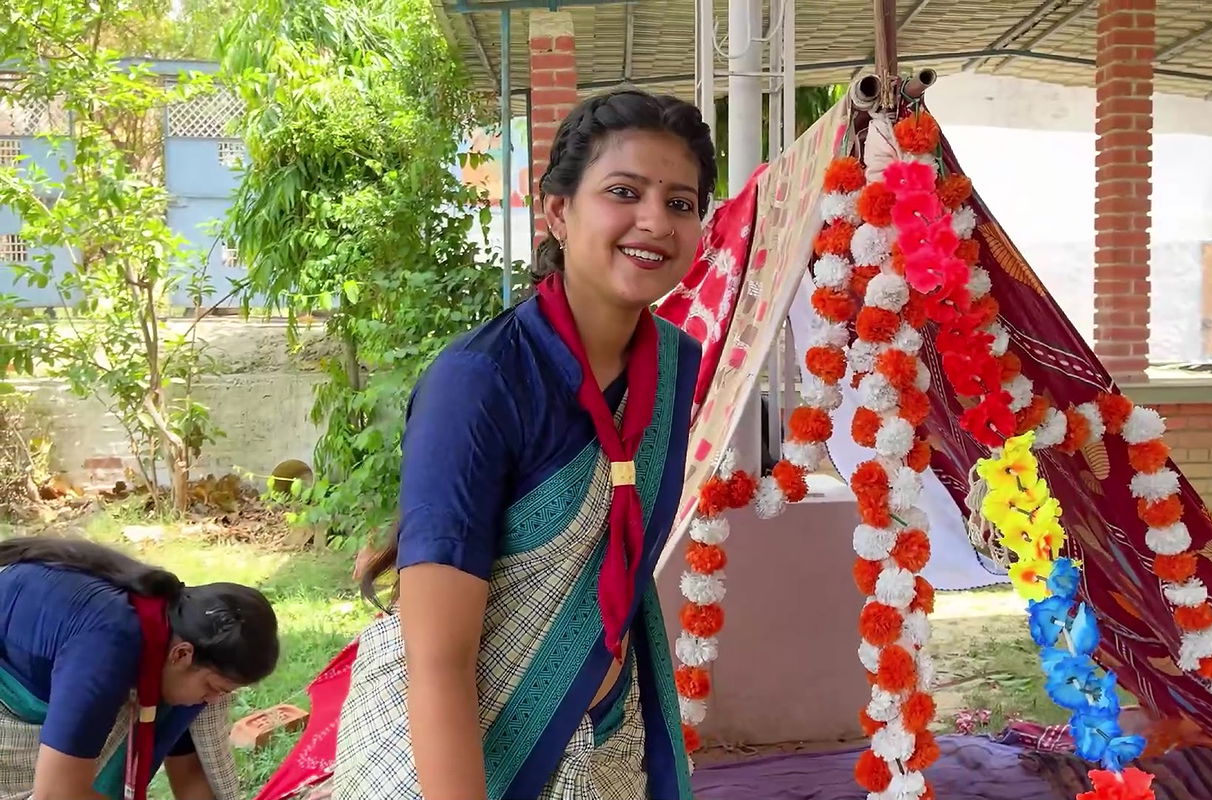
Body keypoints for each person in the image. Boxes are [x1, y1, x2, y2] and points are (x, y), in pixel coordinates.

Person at [330, 89, 712, 800]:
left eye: (681, 203)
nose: (655, 221)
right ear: (559, 212)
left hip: (604, 737)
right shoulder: (480, 384)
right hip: (455, 753)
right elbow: (438, 659)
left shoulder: (668, 367)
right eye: (624, 192)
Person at [0, 536, 280, 800]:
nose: (212, 701)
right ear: (182, 654)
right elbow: (57, 794)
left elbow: (191, 771)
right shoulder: (108, 651)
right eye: (213, 688)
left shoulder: (169, 631)